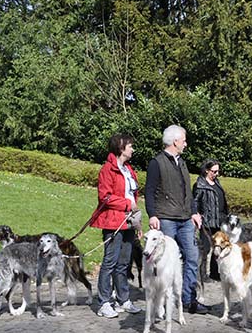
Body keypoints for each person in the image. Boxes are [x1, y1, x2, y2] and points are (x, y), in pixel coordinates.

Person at [145, 125, 208, 314]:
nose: (185, 144)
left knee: (192, 257)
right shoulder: (156, 163)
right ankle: (163, 300)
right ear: (175, 141)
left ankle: (188, 299)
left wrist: (194, 212)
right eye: (184, 140)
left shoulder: (182, 163)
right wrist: (152, 214)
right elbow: (149, 190)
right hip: (166, 218)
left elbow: (188, 192)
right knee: (165, 260)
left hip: (185, 219)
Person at [92, 133, 143, 319]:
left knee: (123, 263)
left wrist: (137, 224)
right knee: (110, 262)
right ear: (121, 148)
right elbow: (104, 197)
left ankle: (123, 299)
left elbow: (132, 194)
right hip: (114, 221)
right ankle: (104, 302)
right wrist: (127, 204)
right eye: (130, 146)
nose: (133, 149)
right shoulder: (107, 169)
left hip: (129, 221)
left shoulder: (128, 169)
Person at [194, 159, 229, 283]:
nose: (216, 174)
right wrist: (197, 215)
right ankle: (202, 274)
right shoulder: (200, 185)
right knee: (205, 249)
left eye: (218, 171)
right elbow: (195, 202)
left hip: (219, 220)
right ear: (206, 170)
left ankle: (215, 272)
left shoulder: (217, 182)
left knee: (218, 247)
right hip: (207, 222)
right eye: (214, 171)